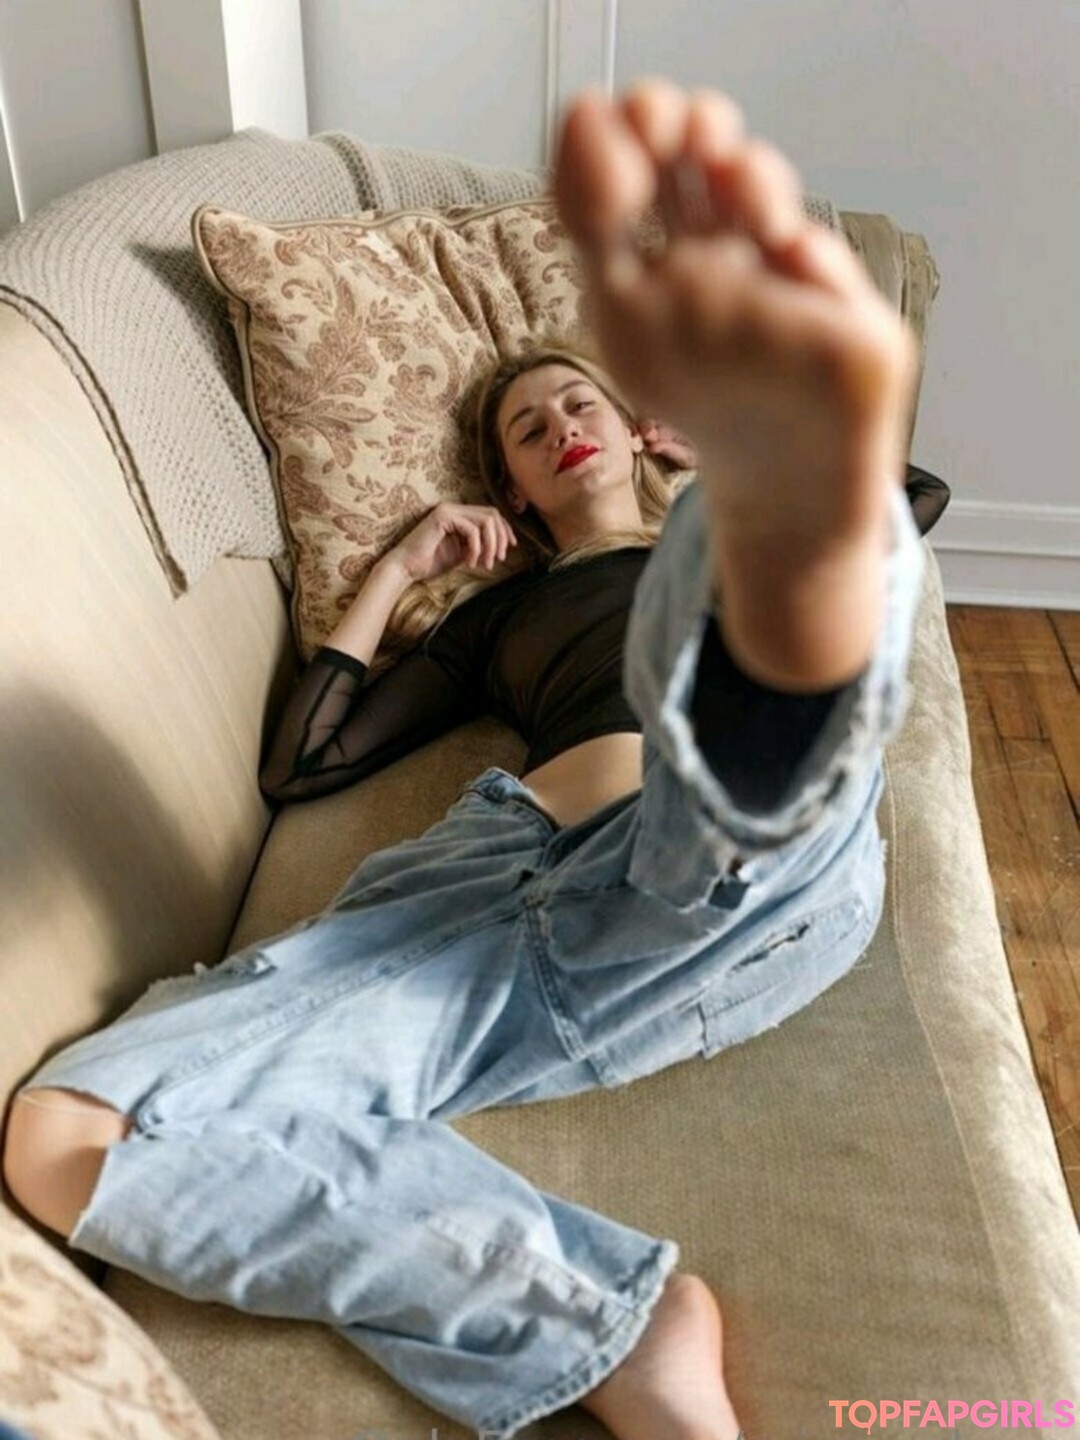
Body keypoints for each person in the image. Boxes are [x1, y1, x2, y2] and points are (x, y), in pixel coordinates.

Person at [2, 80, 925, 1440]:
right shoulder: (494, 616)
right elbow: (305, 763)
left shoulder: (717, 524)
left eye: (577, 404)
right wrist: (399, 572)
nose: (559, 431)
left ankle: (761, 662)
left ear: (638, 427)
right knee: (70, 1133)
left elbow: (913, 507)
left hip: (727, 866)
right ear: (513, 494)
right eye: (527, 434)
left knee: (758, 686)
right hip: (500, 909)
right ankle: (611, 1331)